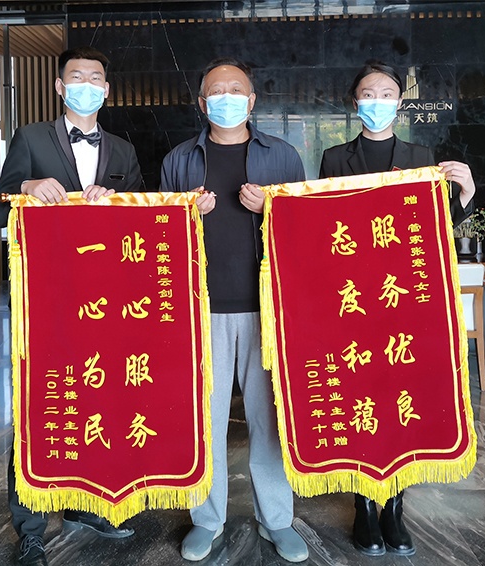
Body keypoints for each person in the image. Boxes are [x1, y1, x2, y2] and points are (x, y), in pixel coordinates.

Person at [0, 46, 143, 566]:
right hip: (45, 300)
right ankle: (30, 526)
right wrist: (26, 186)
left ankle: (84, 505)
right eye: (76, 76)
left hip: (103, 302)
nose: (85, 85)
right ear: (59, 86)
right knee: (39, 404)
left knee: (96, 398)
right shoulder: (32, 138)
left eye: (95, 78)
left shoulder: (123, 151)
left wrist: (116, 203)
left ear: (107, 89)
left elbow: (141, 220)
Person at [319, 60, 476, 558]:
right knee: (360, 398)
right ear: (355, 102)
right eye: (368, 93)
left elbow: (431, 227)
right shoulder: (334, 158)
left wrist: (465, 194)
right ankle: (365, 506)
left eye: (387, 93)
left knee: (400, 399)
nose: (377, 101)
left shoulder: (420, 157)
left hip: (401, 300)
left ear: (399, 102)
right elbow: (320, 223)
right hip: (351, 301)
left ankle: (395, 507)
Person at [160, 58, 309, 563]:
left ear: (252, 100)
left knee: (271, 420)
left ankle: (277, 520)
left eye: (236, 89)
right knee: (204, 420)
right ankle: (207, 519)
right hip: (201, 310)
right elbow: (156, 238)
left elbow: (307, 229)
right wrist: (184, 215)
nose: (226, 97)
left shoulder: (282, 155)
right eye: (216, 91)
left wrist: (274, 209)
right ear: (203, 103)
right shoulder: (180, 159)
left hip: (267, 309)